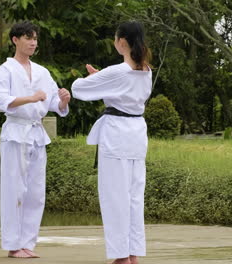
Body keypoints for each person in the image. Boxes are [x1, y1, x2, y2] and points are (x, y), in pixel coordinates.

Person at [71, 21, 152, 264]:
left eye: (116, 39)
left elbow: (78, 88)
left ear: (122, 42)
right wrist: (103, 81)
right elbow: (123, 95)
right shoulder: (146, 71)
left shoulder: (118, 70)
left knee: (115, 197)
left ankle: (120, 257)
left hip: (117, 135)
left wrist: (98, 80)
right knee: (134, 197)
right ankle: (132, 253)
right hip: (136, 135)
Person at [0, 21, 71, 259]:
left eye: (35, 38)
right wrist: (30, 98)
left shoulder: (42, 72)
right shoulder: (6, 70)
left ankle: (28, 243)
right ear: (15, 40)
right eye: (28, 37)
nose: (33, 42)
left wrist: (64, 100)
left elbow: (53, 104)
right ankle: (13, 245)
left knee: (36, 193)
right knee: (14, 190)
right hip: (16, 133)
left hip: (36, 135)